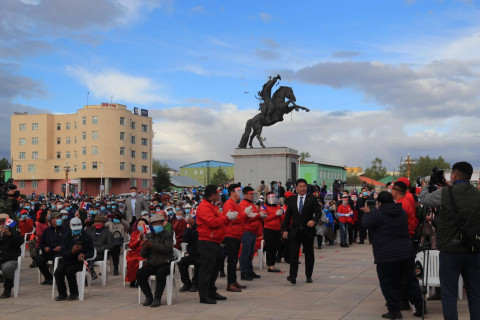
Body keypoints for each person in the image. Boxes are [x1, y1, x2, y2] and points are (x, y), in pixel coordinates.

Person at [419, 161, 480, 320]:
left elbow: (424, 199)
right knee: (475, 294)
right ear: (470, 176)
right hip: (473, 250)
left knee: (449, 294)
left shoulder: (445, 193)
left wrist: (425, 185)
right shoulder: (477, 194)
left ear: (453, 175)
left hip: (450, 252)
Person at [362, 191, 425, 319]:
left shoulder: (377, 214)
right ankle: (420, 307)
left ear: (379, 202)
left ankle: (394, 310)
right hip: (405, 252)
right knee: (410, 280)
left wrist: (367, 212)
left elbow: (366, 224)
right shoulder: (400, 212)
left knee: (388, 283)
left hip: (386, 254)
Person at [196, 185, 235, 304]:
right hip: (207, 241)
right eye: (217, 194)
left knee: (213, 269)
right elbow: (212, 222)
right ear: (212, 195)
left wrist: (227, 218)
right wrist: (226, 218)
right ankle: (204, 295)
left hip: (215, 240)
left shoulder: (212, 205)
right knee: (207, 269)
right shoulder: (204, 207)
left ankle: (211, 291)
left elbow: (220, 220)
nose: (218, 196)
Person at [282, 179, 323, 284]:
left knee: (309, 254)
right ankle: (292, 276)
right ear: (296, 188)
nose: (302, 188)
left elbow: (318, 212)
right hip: (295, 231)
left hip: (308, 231)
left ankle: (309, 275)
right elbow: (287, 217)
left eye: (304, 186)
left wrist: (314, 220)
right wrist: (285, 230)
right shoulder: (291, 199)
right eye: (300, 186)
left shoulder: (312, 199)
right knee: (294, 254)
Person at [137, 214, 173, 308]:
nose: (157, 225)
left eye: (159, 223)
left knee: (161, 274)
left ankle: (157, 298)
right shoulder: (148, 235)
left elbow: (167, 249)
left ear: (162, 224)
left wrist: (152, 245)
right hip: (152, 263)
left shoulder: (167, 234)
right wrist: (144, 247)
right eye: (154, 224)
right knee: (140, 273)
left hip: (164, 262)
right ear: (151, 226)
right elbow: (143, 255)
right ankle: (149, 296)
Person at [54, 217, 94, 301]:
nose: (76, 231)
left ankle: (74, 293)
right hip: (68, 260)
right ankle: (62, 293)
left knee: (70, 271)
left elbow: (91, 252)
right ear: (70, 227)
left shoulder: (87, 237)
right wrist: (71, 251)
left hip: (79, 262)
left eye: (78, 229)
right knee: (58, 272)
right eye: (74, 229)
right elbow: (63, 253)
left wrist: (84, 255)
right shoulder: (65, 237)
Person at [222, 184, 246, 292]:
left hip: (236, 234)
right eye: (238, 192)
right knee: (232, 261)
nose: (240, 194)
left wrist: (244, 215)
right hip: (231, 234)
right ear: (232, 193)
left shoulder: (235, 204)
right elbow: (233, 218)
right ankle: (230, 283)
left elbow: (239, 216)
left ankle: (234, 281)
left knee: (234, 260)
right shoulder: (229, 204)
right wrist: (244, 215)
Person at [35, 211, 68, 285]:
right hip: (49, 251)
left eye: (60, 218)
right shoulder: (47, 231)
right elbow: (42, 244)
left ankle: (59, 278)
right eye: (57, 218)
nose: (59, 219)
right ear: (52, 220)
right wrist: (45, 248)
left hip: (59, 252)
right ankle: (49, 278)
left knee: (56, 259)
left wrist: (61, 247)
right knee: (38, 258)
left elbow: (68, 243)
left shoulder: (65, 230)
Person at [239, 186, 262, 281]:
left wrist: (259, 214)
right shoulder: (243, 204)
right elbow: (246, 217)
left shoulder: (251, 204)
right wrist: (258, 215)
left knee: (250, 252)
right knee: (245, 252)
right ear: (245, 195)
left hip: (253, 231)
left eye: (253, 194)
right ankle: (244, 273)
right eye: (250, 194)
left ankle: (249, 270)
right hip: (247, 231)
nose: (252, 195)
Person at [0, 214, 24, 298]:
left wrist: (9, 234)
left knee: (8, 268)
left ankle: (8, 288)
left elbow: (20, 242)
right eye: (0, 222)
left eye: (4, 222)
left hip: (10, 259)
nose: (2, 224)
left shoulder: (15, 233)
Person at [84, 213, 114, 280]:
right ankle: (90, 271)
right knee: (83, 256)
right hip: (89, 251)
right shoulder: (90, 231)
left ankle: (90, 271)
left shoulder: (108, 233)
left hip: (99, 253)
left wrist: (99, 249)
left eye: (99, 222)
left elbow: (110, 246)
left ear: (103, 223)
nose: (97, 223)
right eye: (96, 221)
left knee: (86, 257)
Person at [261, 192, 283, 272]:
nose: (273, 199)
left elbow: (281, 220)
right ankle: (270, 266)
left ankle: (273, 264)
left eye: (274, 197)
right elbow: (265, 219)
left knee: (275, 248)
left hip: (277, 229)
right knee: (270, 248)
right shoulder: (264, 206)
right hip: (269, 229)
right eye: (271, 197)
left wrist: (281, 214)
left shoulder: (277, 206)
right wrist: (275, 215)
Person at [125, 218, 149, 288]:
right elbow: (131, 245)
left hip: (144, 252)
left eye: (143, 224)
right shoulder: (134, 233)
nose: (141, 226)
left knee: (140, 260)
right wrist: (138, 240)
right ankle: (132, 279)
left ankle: (139, 280)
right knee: (131, 260)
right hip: (134, 252)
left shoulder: (149, 233)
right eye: (139, 224)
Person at [178, 215, 199, 292]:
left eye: (192, 219)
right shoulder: (190, 228)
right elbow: (185, 240)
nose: (189, 220)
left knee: (199, 263)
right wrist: (188, 228)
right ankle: (186, 283)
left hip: (201, 254)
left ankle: (195, 283)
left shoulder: (199, 228)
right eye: (188, 220)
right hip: (192, 254)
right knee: (181, 262)